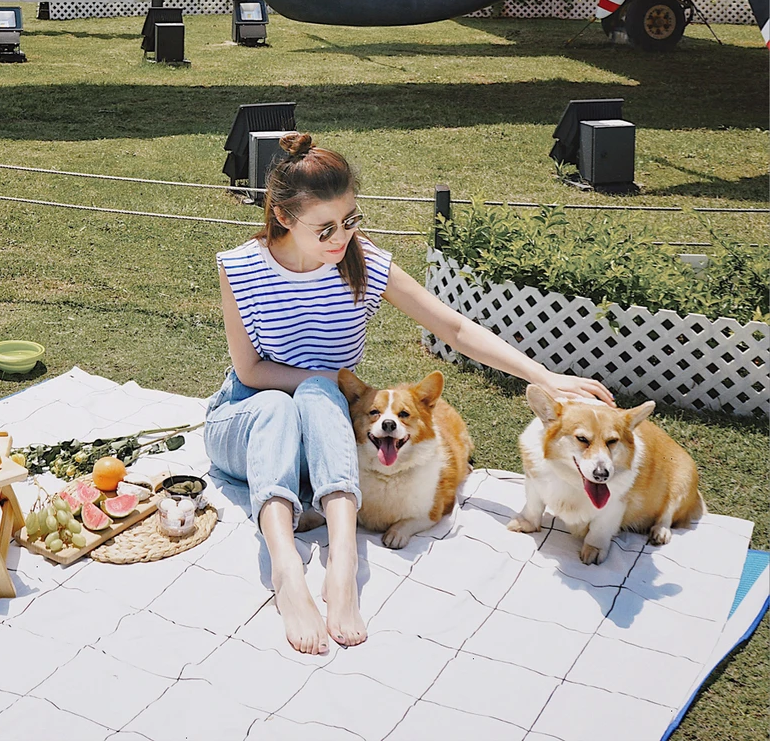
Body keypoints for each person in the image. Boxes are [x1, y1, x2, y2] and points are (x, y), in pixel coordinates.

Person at [204, 133, 613, 656]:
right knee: (290, 400)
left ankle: (343, 564)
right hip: (246, 419)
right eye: (325, 228)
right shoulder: (241, 267)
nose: (341, 237)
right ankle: (286, 569)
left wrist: (545, 377)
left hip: (322, 425)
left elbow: (454, 328)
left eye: (350, 220)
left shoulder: (364, 263)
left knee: (316, 397)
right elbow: (250, 369)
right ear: (283, 216)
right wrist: (332, 385)